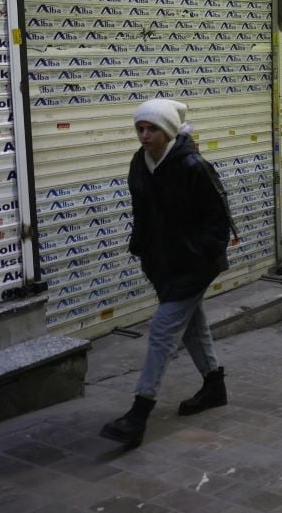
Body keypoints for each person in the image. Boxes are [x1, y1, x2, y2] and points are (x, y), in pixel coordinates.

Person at [100, 99, 234, 448]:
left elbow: (219, 221)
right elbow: (142, 211)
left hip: (193, 265)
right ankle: (213, 385)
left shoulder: (192, 165)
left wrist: (199, 255)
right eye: (140, 129)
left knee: (162, 329)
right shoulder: (139, 163)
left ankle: (139, 413)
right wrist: (142, 248)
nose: (144, 136)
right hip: (161, 263)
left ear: (168, 131)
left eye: (152, 129)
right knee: (192, 324)